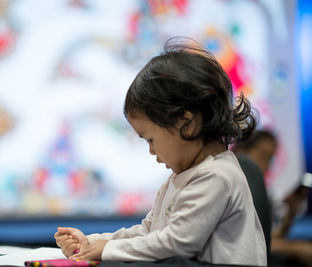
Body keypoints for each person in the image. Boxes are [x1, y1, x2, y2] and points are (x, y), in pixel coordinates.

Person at [54, 39, 267, 266]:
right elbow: (150, 232)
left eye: (151, 139)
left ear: (187, 123)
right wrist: (92, 242)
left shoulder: (216, 176)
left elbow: (178, 242)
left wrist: (107, 249)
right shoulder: (183, 177)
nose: (152, 151)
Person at [233, 129, 312, 266]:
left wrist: (290, 211)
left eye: (270, 159)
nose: (266, 166)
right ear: (241, 151)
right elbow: (252, 245)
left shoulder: (261, 193)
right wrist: (296, 249)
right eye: (262, 156)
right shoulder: (233, 188)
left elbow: (271, 238)